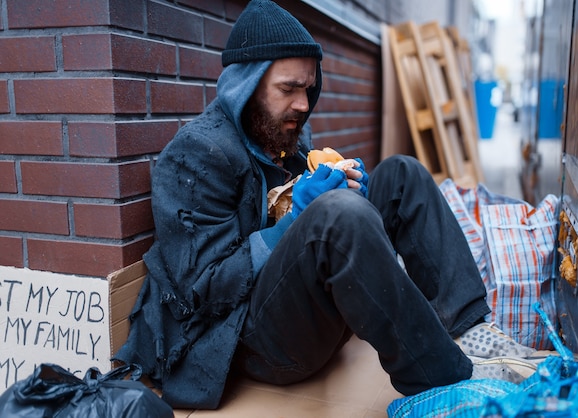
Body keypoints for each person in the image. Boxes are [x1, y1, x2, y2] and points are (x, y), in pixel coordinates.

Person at [115, 0, 536, 409]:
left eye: (308, 87)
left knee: (401, 174)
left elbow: (320, 239)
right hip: (247, 342)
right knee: (339, 215)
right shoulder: (195, 156)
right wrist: (296, 222)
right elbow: (201, 291)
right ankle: (447, 381)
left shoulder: (288, 133)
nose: (302, 103)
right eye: (288, 89)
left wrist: (362, 200)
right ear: (245, 86)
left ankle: (470, 331)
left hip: (312, 317)